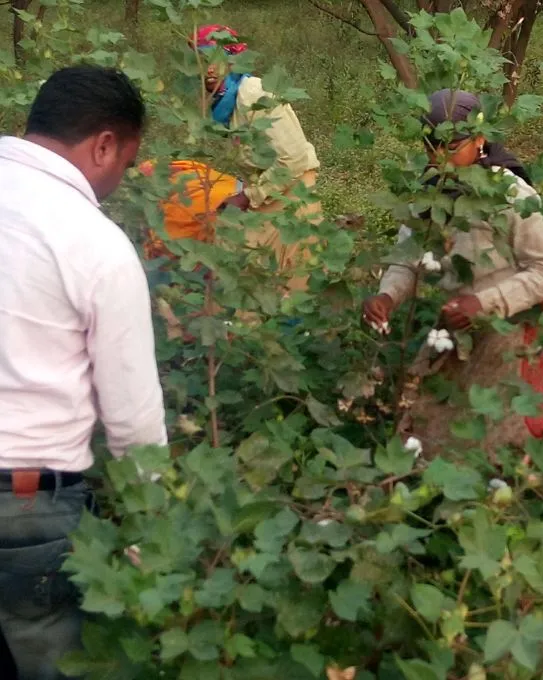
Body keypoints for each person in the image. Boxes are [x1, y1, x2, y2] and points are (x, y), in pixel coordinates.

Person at [0, 66, 167, 680]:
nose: (117, 182)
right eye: (124, 163)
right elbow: (132, 417)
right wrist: (152, 531)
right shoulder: (93, 243)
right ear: (103, 144)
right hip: (25, 508)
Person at [362, 89, 543, 456]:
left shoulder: (510, 193)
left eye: (452, 146)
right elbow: (407, 260)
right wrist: (387, 296)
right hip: (454, 330)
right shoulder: (427, 195)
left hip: (509, 336)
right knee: (428, 434)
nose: (440, 157)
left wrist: (482, 303)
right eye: (431, 147)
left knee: (500, 447)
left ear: (480, 139)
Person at [192, 24, 322, 292]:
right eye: (201, 62)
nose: (208, 71)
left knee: (285, 288)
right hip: (271, 193)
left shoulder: (254, 94)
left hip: (292, 196)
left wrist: (247, 196)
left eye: (213, 60)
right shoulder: (228, 101)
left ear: (231, 59)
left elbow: (293, 159)